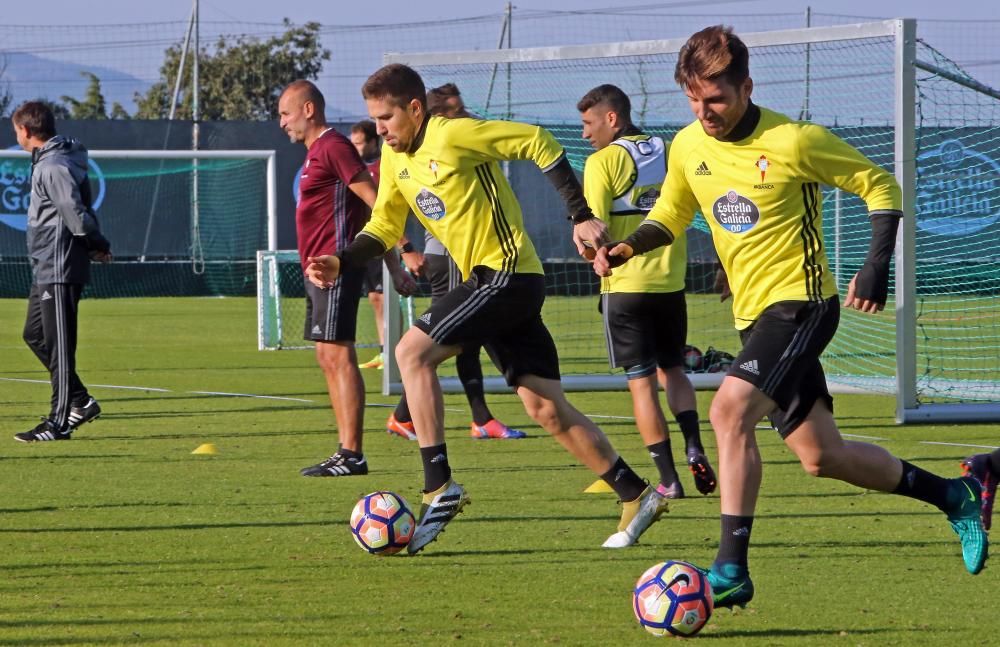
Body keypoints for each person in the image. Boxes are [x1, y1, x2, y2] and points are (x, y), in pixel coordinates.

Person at [593, 25, 988, 606]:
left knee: (728, 411)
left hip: (802, 305)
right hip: (754, 318)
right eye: (694, 100)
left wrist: (877, 265)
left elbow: (879, 184)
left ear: (747, 86)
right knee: (821, 456)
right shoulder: (687, 146)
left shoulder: (794, 140)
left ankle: (730, 570)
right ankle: (958, 496)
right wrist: (628, 247)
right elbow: (673, 215)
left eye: (717, 99)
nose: (705, 112)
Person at [307, 63, 667, 554]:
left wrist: (580, 215)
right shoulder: (394, 159)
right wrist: (342, 260)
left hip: (506, 274)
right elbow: (386, 227)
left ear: (415, 108)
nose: (380, 130)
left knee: (411, 353)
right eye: (375, 119)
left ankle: (439, 487)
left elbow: (539, 140)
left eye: (387, 117)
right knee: (544, 407)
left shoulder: (456, 134)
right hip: (497, 281)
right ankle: (637, 494)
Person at [578, 83, 715, 498]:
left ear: (611, 118)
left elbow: (594, 229)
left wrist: (591, 252)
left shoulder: (603, 162)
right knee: (673, 370)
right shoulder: (671, 148)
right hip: (671, 284)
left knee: (641, 383)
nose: (584, 134)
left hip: (625, 288)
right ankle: (694, 444)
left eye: (588, 123)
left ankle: (669, 479)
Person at [278, 80, 415, 477]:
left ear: (308, 110)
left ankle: (352, 453)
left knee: (339, 356)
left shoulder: (334, 146)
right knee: (326, 356)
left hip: (336, 268)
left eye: (285, 114)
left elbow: (376, 205)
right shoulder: (314, 154)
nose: (282, 123)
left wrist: (399, 257)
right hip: (317, 273)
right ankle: (344, 451)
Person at [385, 82, 526, 441]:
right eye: (457, 109)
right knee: (456, 335)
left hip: (472, 257)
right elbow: (383, 213)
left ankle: (474, 417)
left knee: (463, 335)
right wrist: (405, 248)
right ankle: (446, 417)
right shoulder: (430, 146)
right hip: (447, 255)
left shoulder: (461, 140)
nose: (465, 115)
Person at [11, 101, 111, 442]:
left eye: (17, 132)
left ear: (26, 130)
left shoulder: (52, 165)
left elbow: (74, 210)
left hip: (60, 264)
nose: (17, 137)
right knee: (34, 334)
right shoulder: (50, 160)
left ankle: (59, 422)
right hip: (46, 264)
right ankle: (81, 401)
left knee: (60, 345)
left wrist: (95, 242)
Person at [349, 119, 423, 370]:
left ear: (372, 141)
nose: (355, 147)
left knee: (387, 295)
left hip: (386, 240)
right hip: (366, 240)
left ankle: (395, 352)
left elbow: (391, 210)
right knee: (375, 298)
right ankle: (385, 352)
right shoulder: (353, 167)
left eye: (360, 142)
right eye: (353, 143)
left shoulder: (385, 165)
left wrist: (404, 245)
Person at [962, 448, 999, 531]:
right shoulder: (989, 475)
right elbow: (987, 499)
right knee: (984, 500)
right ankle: (978, 525)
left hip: (977, 462)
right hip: (982, 466)